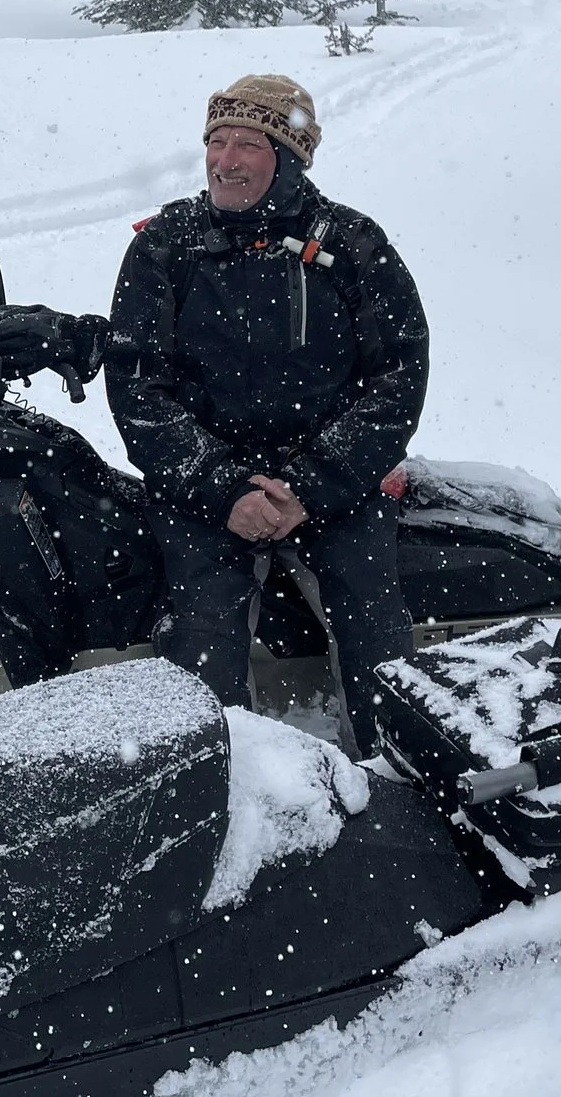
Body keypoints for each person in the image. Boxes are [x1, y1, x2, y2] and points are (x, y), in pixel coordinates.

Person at [106, 75, 430, 755]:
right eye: (215, 140)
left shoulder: (351, 244)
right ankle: (229, 792)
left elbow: (399, 374)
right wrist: (224, 488)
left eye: (247, 143)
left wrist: (308, 487)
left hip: (332, 486)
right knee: (200, 641)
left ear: (289, 155)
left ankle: (396, 782)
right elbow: (137, 385)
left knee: (377, 629)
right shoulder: (165, 246)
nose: (225, 159)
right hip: (206, 490)